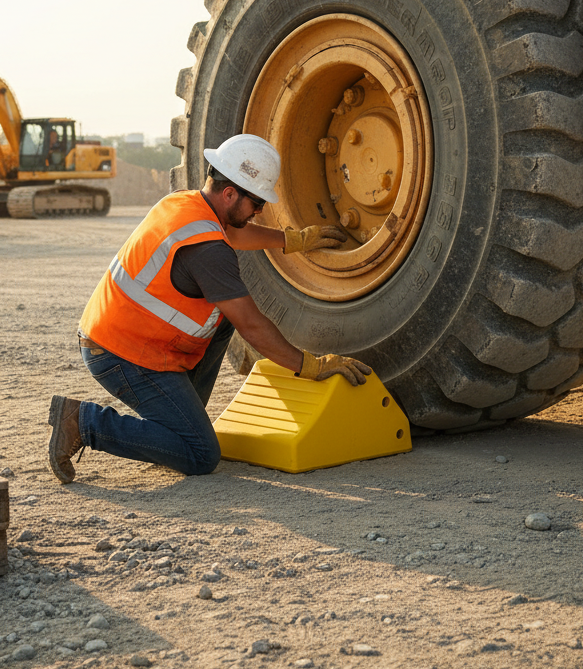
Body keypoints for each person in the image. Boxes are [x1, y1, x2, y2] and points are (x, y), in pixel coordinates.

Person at [47, 133, 372, 484]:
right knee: (201, 454)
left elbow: (233, 234)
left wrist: (292, 240)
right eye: (257, 203)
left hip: (120, 335)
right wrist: (309, 365)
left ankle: (174, 428)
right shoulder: (207, 251)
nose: (260, 211)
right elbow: (252, 326)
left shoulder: (186, 204)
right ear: (230, 192)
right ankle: (82, 422)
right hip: (120, 354)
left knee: (221, 324)